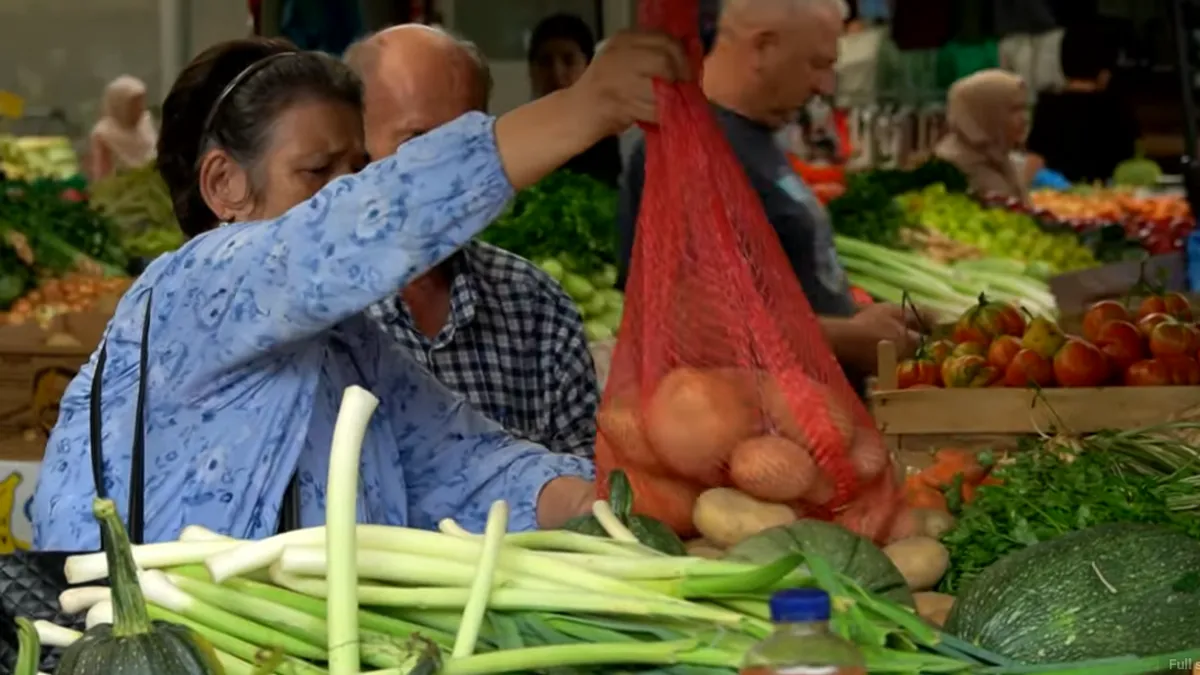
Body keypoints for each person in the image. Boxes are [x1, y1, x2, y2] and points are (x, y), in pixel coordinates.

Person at [31, 33, 688, 550]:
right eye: (319, 172)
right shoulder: (191, 288)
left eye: (359, 169)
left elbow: (461, 462)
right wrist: (583, 106)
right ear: (224, 184)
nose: (345, 190)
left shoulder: (350, 346)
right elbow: (343, 231)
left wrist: (610, 502)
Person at [618, 0, 919, 384]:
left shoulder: (749, 134)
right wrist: (852, 338)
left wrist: (862, 320)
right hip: (757, 429)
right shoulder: (690, 148)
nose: (824, 85)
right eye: (817, 63)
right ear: (762, 47)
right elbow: (695, 324)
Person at [345, 25, 599, 458]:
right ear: (353, 147)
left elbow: (587, 490)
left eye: (466, 145)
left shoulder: (537, 308)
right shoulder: (318, 320)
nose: (449, 171)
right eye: (419, 141)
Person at [1026, 23, 1138, 184]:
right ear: (1104, 73)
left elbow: (1035, 156)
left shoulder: (1047, 106)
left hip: (1053, 196)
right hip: (1108, 196)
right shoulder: (1117, 107)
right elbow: (1130, 156)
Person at [528, 13, 623, 187]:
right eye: (545, 62)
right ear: (532, 71)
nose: (557, 73)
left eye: (569, 60)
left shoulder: (605, 136)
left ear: (588, 67)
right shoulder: (520, 135)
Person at [934, 69, 1030, 201]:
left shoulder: (999, 159)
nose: (1025, 119)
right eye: (1014, 110)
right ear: (986, 114)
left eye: (1024, 108)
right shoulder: (956, 172)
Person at [87, 76, 158, 181]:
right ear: (119, 105)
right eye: (134, 104)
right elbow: (102, 176)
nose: (141, 108)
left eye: (141, 102)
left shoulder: (145, 122)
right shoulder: (103, 134)